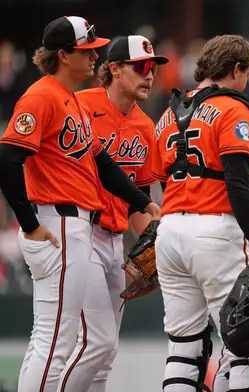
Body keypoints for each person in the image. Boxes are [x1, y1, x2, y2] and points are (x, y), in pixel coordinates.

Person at [0, 16, 160, 392]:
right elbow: (8, 158)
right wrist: (29, 224)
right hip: (60, 221)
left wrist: (142, 202)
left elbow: (103, 163)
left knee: (81, 343)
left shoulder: (68, 99)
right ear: (63, 54)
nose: (94, 56)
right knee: (54, 343)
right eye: (86, 50)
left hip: (77, 226)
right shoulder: (42, 95)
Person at [151, 34, 249, 392]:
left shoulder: (167, 113)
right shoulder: (233, 108)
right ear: (235, 68)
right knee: (246, 343)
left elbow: (161, 176)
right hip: (215, 230)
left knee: (184, 348)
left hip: (171, 229)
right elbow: (239, 183)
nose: (246, 80)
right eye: (246, 72)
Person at [60, 35, 169, 392]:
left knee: (105, 355)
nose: (149, 75)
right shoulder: (79, 105)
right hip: (76, 228)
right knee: (97, 344)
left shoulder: (145, 126)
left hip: (113, 238)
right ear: (114, 69)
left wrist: (153, 242)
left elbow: (138, 203)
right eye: (140, 68)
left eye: (152, 68)